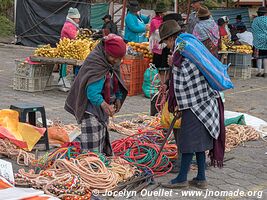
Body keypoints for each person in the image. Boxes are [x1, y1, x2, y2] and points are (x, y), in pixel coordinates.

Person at [159, 20, 225, 189]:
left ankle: (181, 178)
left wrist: (173, 63)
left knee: (188, 142)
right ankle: (201, 178)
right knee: (199, 142)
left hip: (196, 103)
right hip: (206, 101)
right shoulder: (188, 45)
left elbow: (184, 80)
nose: (166, 45)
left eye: (166, 41)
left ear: (172, 38)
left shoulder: (182, 51)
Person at [65, 34, 128, 155]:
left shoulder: (112, 63)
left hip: (102, 110)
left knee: (101, 135)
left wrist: (118, 98)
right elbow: (92, 93)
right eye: (113, 57)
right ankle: (90, 165)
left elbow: (117, 81)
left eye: (119, 58)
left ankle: (100, 160)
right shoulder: (96, 62)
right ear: (105, 51)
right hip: (90, 109)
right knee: (92, 142)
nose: (116, 61)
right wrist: (105, 105)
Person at [60, 7, 81, 91]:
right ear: (73, 18)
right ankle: (64, 81)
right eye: (77, 18)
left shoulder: (72, 25)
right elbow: (75, 36)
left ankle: (68, 81)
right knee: (65, 66)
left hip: (70, 49)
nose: (79, 20)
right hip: (66, 50)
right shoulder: (68, 25)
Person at [149, 1, 167, 84]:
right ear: (160, 13)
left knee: (165, 68)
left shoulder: (165, 20)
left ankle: (164, 85)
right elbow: (156, 33)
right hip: (158, 47)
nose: (165, 13)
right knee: (159, 68)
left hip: (166, 46)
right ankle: (160, 84)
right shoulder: (154, 21)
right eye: (164, 12)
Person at [252, 6, 267, 77]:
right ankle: (266, 72)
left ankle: (259, 72)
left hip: (257, 40)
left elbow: (253, 29)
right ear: (265, 13)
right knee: (265, 57)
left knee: (258, 57)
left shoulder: (255, 20)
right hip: (266, 39)